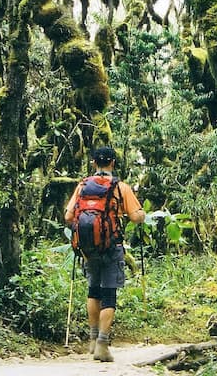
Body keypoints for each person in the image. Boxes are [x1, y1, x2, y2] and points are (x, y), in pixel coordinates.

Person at [64, 146, 145, 362]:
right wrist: (141, 213)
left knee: (93, 291)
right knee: (109, 294)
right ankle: (102, 344)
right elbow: (136, 217)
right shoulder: (120, 187)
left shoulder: (83, 185)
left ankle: (91, 341)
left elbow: (68, 216)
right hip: (112, 246)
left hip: (89, 249)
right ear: (113, 163)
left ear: (93, 163)